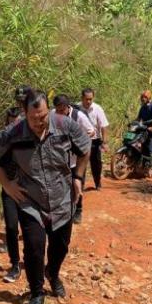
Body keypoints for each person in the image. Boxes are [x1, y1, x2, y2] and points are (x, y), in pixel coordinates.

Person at [0, 90, 91, 304]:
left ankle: (52, 274)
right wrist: (7, 185)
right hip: (30, 201)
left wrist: (78, 177)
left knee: (60, 246)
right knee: (34, 248)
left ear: (49, 111)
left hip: (63, 198)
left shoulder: (65, 125)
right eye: (33, 118)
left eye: (43, 116)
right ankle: (36, 292)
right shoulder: (13, 133)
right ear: (24, 113)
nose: (39, 122)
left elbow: (85, 147)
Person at [53, 94, 94, 224]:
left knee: (77, 183)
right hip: (61, 158)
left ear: (68, 107)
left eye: (62, 110)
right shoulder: (52, 115)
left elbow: (91, 131)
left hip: (78, 159)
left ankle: (78, 211)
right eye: (57, 110)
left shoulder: (79, 116)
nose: (59, 113)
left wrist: (79, 139)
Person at [0, 107, 22, 283]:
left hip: (32, 191)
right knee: (12, 227)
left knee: (32, 231)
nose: (13, 125)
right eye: (10, 121)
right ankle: (15, 265)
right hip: (9, 189)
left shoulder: (33, 137)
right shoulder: (2, 139)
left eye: (17, 121)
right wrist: (6, 184)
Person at [78, 88, 109, 191]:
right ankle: (80, 186)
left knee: (96, 164)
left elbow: (103, 125)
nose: (88, 101)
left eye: (90, 99)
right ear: (82, 98)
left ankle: (97, 182)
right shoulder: (77, 108)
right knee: (81, 164)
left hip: (95, 140)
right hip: (81, 141)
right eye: (86, 99)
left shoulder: (97, 109)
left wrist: (105, 142)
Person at [137, 90, 152, 168]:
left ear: (149, 98)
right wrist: (132, 124)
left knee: (150, 147)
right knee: (143, 147)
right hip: (145, 130)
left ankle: (151, 167)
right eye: (142, 97)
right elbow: (138, 119)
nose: (143, 99)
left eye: (145, 97)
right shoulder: (142, 108)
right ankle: (144, 166)